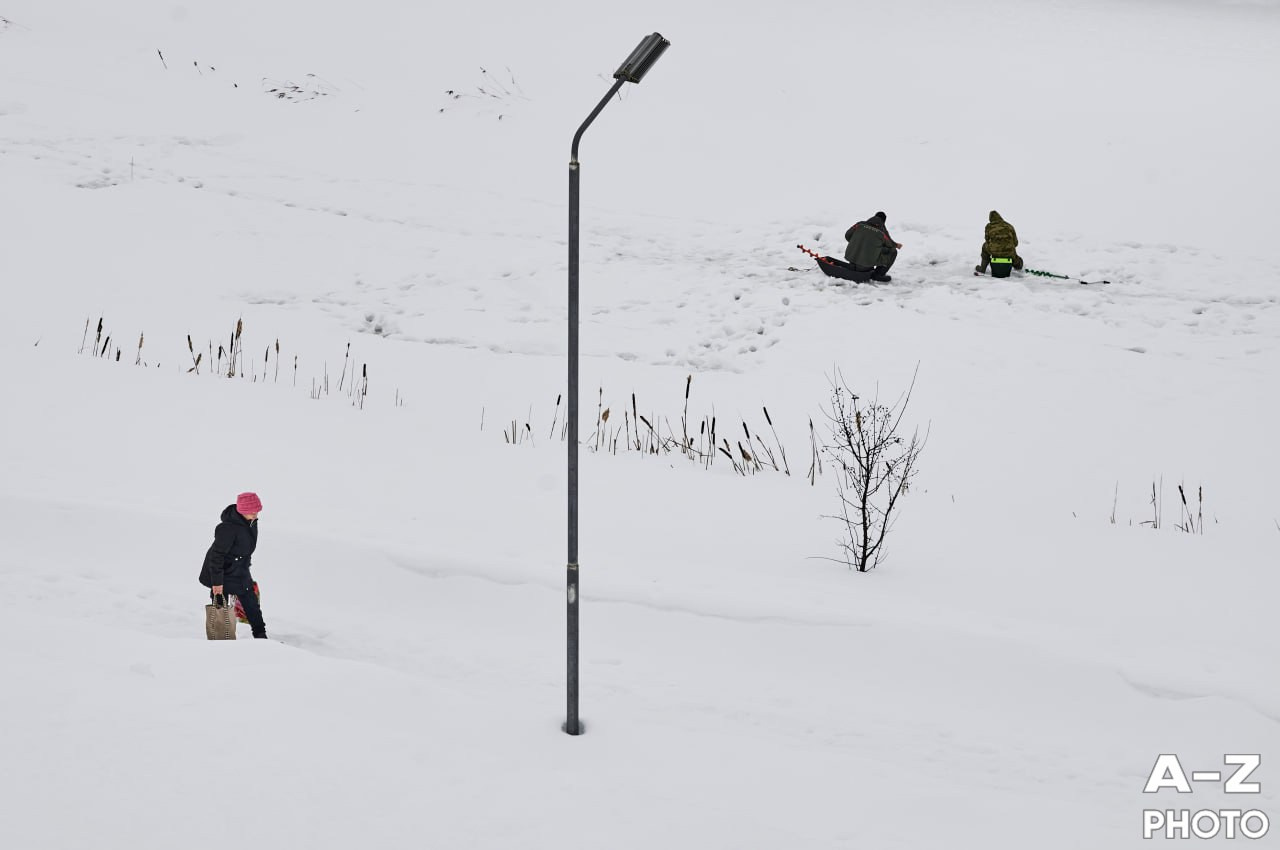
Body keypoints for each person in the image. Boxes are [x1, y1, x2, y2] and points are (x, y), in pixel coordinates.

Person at [199, 492, 267, 639]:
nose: (256, 515)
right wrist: (217, 583)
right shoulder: (227, 528)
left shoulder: (251, 522)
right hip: (221, 571)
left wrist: (245, 569)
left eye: (257, 511)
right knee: (220, 605)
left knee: (251, 602)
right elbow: (217, 556)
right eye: (252, 512)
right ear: (242, 511)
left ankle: (261, 636)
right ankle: (221, 638)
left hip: (239, 569)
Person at [844, 211, 902, 282]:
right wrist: (896, 245)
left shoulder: (859, 224)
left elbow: (847, 236)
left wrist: (858, 243)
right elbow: (889, 244)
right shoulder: (881, 231)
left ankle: (857, 265)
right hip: (866, 265)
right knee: (893, 251)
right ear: (883, 222)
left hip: (851, 260)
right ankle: (878, 274)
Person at [976, 210, 1024, 275]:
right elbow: (1015, 243)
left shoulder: (989, 226)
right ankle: (1018, 266)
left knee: (984, 246)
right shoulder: (1009, 226)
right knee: (1017, 260)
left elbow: (987, 240)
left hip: (994, 251)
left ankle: (982, 269)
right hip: (1009, 253)